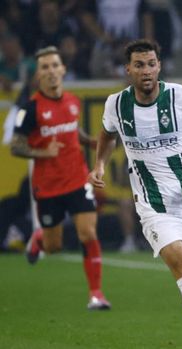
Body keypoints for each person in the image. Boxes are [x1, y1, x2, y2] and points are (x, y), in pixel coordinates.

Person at [88, 39, 182, 349]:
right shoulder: (116, 104)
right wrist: (99, 164)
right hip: (154, 207)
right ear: (128, 69)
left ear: (159, 66)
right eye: (139, 65)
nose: (146, 71)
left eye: (151, 64)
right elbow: (106, 135)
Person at [10, 46, 111, 310]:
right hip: (48, 187)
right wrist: (43, 152)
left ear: (63, 69)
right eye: (45, 67)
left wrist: (91, 142)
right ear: (38, 75)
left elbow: (72, 130)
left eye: (55, 65)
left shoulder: (72, 101)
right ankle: (40, 238)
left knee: (88, 233)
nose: (51, 71)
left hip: (78, 180)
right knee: (54, 247)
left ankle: (96, 294)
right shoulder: (29, 109)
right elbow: (16, 146)